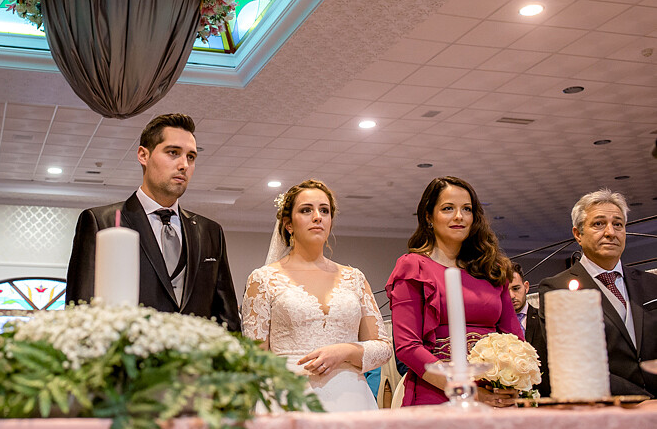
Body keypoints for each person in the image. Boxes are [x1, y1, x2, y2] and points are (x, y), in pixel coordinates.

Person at [66, 113, 240, 331]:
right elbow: (80, 312)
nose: (184, 165)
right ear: (143, 155)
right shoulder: (101, 222)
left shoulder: (210, 231)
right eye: (173, 153)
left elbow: (228, 317)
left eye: (191, 157)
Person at [242, 180, 391, 411]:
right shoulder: (263, 280)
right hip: (288, 398)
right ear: (288, 224)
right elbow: (254, 358)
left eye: (324, 210)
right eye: (306, 210)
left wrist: (346, 351)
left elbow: (383, 348)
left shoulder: (355, 278)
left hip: (351, 398)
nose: (317, 216)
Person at [385, 176, 523, 407]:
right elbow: (408, 346)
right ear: (429, 217)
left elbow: (514, 337)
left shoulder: (493, 269)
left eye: (466, 209)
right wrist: (464, 389)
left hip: (494, 392)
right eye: (448, 208)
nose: (459, 216)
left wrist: (512, 381)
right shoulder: (413, 267)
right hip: (436, 391)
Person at [538, 189, 657, 397]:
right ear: (578, 234)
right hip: (608, 403)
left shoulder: (651, 283)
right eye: (598, 224)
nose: (610, 232)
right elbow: (574, 360)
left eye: (618, 224)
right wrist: (640, 399)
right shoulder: (558, 289)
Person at [509, 263, 549, 396]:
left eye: (516, 288)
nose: (512, 295)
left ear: (526, 287)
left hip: (544, 398)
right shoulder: (494, 326)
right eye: (505, 291)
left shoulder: (545, 319)